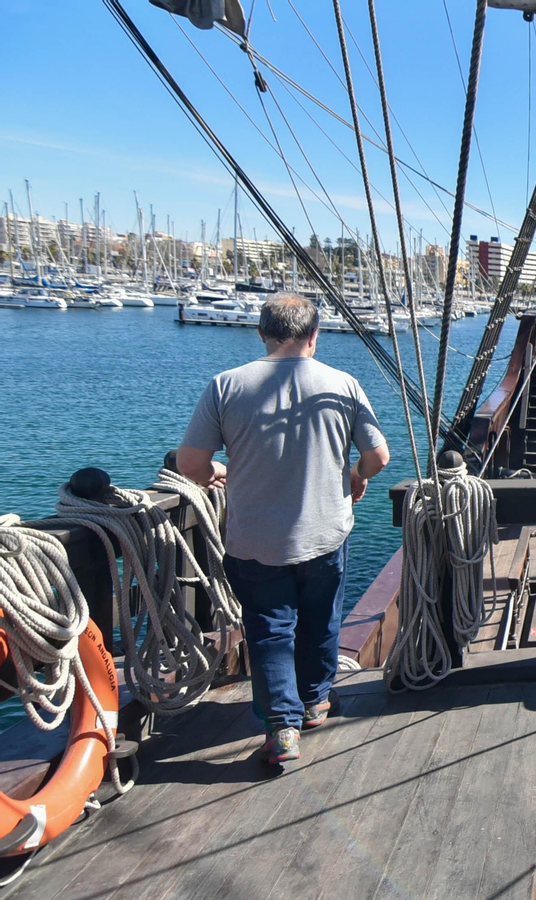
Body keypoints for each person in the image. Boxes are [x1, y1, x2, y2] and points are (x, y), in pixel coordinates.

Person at [177, 295, 389, 767]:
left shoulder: (226, 386)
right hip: (325, 534)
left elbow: (190, 463)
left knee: (270, 631)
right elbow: (378, 458)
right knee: (320, 620)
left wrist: (218, 472)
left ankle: (282, 730)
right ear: (314, 336)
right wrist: (355, 477)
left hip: (255, 541)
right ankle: (315, 704)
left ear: (262, 332)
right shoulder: (343, 384)